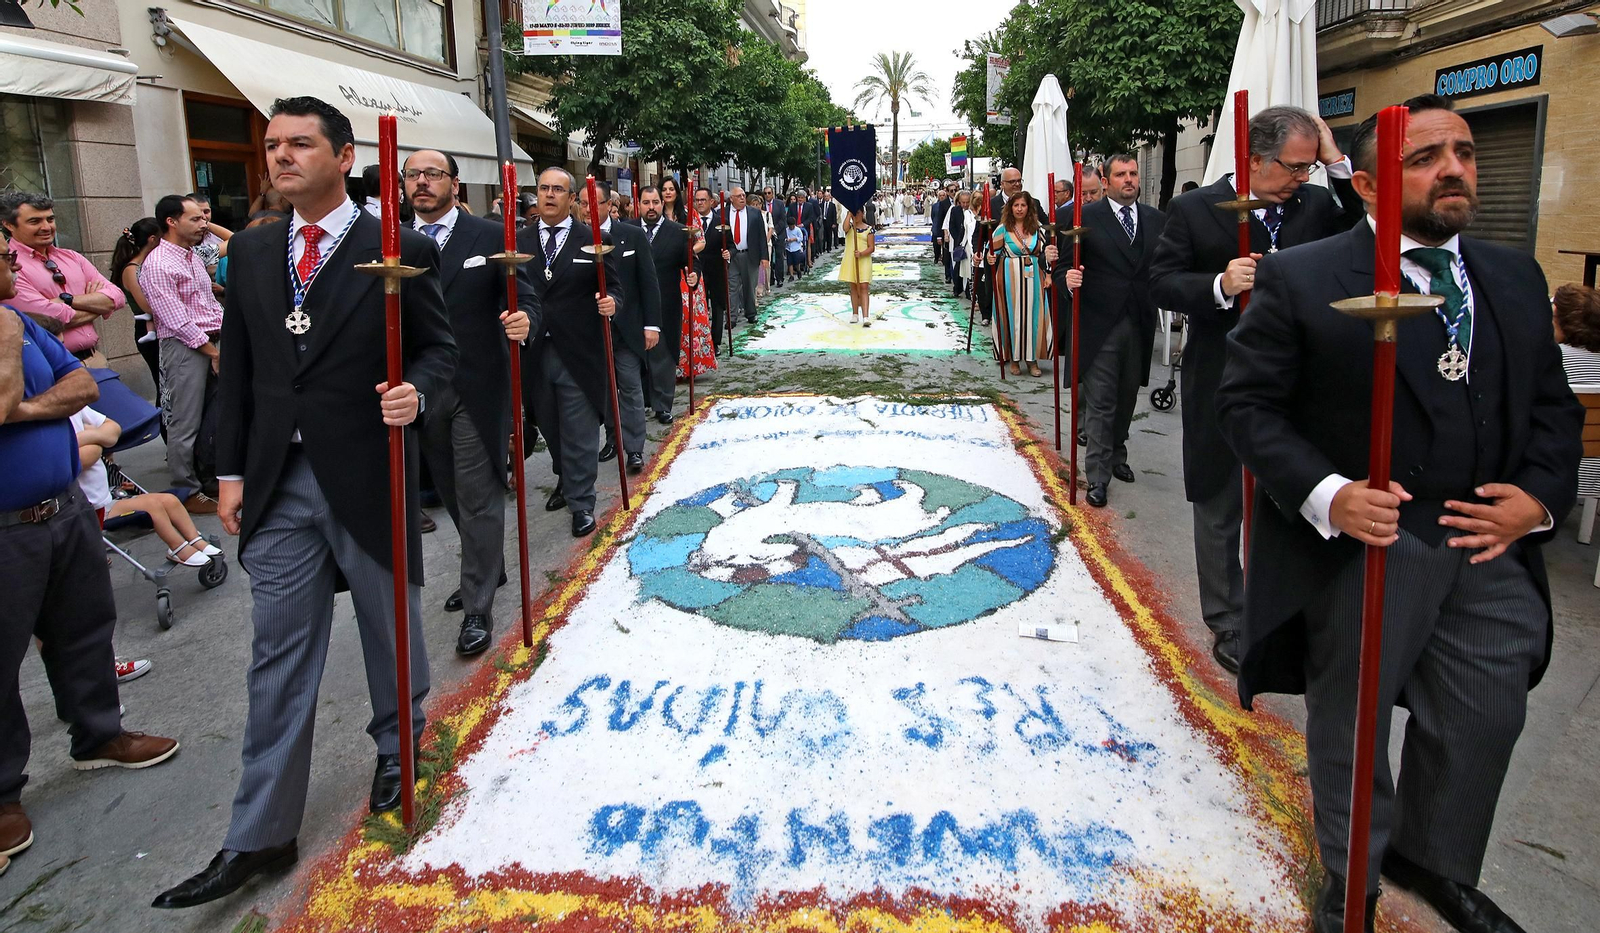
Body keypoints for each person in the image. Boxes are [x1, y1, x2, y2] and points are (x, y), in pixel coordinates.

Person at [1217, 94, 1582, 933]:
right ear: (1374, 183)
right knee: (1353, 722)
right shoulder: (1305, 277)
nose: (1454, 167)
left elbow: (1554, 409)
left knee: (1483, 714)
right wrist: (1330, 495)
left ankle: (1438, 858)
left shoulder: (1515, 278)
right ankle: (1353, 877)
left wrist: (1537, 499)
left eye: (1464, 152)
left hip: (1493, 550)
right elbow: (1248, 406)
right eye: (1425, 157)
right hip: (1376, 548)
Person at [152, 96, 456, 910]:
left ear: (345, 154)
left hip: (367, 467)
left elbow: (439, 351)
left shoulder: (401, 246)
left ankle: (400, 750)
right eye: (271, 145)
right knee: (277, 654)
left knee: (389, 628)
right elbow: (242, 366)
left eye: (298, 144)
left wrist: (416, 396)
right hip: (279, 484)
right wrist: (230, 473)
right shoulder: (250, 253)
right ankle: (260, 831)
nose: (280, 156)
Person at [1149, 104, 1364, 674]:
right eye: (1294, 168)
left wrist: (1335, 159)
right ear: (1252, 160)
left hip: (1300, 387)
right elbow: (1162, 282)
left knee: (1294, 500)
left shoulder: (1317, 204)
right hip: (1220, 378)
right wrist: (1219, 283)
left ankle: (1289, 611)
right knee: (1219, 506)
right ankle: (1226, 617)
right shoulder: (1195, 210)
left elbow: (1368, 225)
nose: (1302, 178)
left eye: (1308, 168)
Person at [1, 243, 180, 883]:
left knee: (83, 627)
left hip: (62, 509)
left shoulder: (17, 322)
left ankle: (98, 734)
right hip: (4, 528)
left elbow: (78, 381)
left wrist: (25, 407)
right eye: (1, 254)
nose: (11, 265)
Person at [404, 149, 528, 656]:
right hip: (421, 391)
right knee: (451, 490)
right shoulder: (390, 244)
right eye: (414, 174)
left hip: (478, 384)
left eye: (434, 174)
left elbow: (525, 297)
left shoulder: (490, 236)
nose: (423, 182)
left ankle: (478, 605)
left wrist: (525, 322)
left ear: (455, 184)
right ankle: (489, 562)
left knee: (479, 494)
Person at [516, 168, 621, 538]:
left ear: (572, 198)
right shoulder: (517, 241)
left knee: (578, 431)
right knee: (550, 426)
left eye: (557, 189)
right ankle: (565, 477)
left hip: (578, 352)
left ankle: (582, 502)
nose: (548, 195)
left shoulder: (593, 240)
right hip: (533, 352)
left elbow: (615, 288)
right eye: (543, 188)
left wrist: (612, 303)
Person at [1071, 154, 1164, 509]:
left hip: (1139, 321)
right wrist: (1066, 275)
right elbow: (1068, 262)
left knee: (1127, 396)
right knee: (1101, 401)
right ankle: (1097, 475)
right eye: (1121, 174)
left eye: (1133, 173)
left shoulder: (1156, 220)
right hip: (1100, 324)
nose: (1129, 179)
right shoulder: (1086, 218)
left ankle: (1116, 454)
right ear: (1105, 181)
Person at [140, 195, 224, 513]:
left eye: (204, 218)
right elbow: (176, 319)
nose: (204, 223)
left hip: (212, 341)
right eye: (196, 219)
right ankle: (185, 490)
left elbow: (208, 305)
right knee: (184, 420)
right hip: (186, 348)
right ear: (172, 222)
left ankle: (210, 477)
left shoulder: (191, 257)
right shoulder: (159, 263)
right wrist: (212, 351)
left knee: (214, 416)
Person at [2, 194, 126, 366]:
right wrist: (96, 306)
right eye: (34, 221)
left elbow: (117, 297)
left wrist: (67, 300)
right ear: (8, 225)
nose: (46, 227)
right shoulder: (9, 266)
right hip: (53, 366)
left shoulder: (72, 257)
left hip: (95, 358)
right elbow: (45, 319)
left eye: (50, 219)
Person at [590, 181, 660, 476]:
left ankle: (634, 448)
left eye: (594, 202)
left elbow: (648, 281)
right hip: (590, 331)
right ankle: (611, 438)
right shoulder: (576, 237)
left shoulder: (631, 235)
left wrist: (651, 325)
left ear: (609, 205)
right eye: (582, 202)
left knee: (630, 388)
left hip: (627, 329)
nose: (588, 208)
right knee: (602, 390)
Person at [638, 186, 704, 424]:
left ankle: (663, 403)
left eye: (655, 202)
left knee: (664, 356)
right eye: (646, 203)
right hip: (635, 305)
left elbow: (692, 262)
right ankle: (643, 400)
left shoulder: (677, 232)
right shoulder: (628, 230)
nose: (652, 207)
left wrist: (693, 276)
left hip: (666, 301)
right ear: (639, 205)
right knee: (638, 356)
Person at [988, 191, 1059, 378]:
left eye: (1023, 205)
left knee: (1033, 317)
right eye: (1016, 205)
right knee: (1013, 317)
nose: (1019, 209)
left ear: (1029, 208)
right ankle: (1014, 358)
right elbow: (992, 253)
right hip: (1010, 279)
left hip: (1034, 278)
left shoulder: (1037, 229)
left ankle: (1032, 359)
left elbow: (1046, 254)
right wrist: (988, 258)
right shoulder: (1003, 229)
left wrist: (1049, 275)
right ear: (1010, 208)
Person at [110, 218, 163, 393]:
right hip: (148, 329)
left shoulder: (150, 264)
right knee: (164, 385)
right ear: (153, 239)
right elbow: (147, 306)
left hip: (160, 326)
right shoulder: (132, 269)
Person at [720, 187, 767, 326]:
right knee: (732, 287)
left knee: (749, 286)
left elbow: (761, 236)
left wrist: (764, 257)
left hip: (749, 254)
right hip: (731, 256)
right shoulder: (724, 214)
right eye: (738, 196)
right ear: (731, 199)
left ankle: (751, 313)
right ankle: (732, 317)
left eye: (743, 195)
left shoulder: (754, 213)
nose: (742, 198)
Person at [692, 187, 729, 349]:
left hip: (716, 269)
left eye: (703, 200)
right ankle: (701, 341)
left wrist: (729, 253)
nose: (699, 203)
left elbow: (731, 244)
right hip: (697, 269)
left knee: (717, 306)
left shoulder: (721, 221)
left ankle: (715, 342)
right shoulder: (690, 221)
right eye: (697, 200)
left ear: (711, 202)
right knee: (700, 306)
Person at [840, 209, 875, 325]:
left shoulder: (869, 229)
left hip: (863, 260)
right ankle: (855, 313)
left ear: (862, 214)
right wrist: (849, 214)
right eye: (854, 214)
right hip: (851, 260)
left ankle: (865, 316)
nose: (856, 216)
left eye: (857, 213)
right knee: (854, 286)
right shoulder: (850, 228)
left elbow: (871, 247)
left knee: (864, 286)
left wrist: (861, 253)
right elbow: (844, 228)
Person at [944, 190, 975, 298]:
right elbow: (951, 226)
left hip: (970, 244)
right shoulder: (955, 210)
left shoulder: (973, 212)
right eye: (963, 202)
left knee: (969, 270)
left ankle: (968, 291)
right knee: (958, 268)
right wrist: (959, 239)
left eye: (967, 202)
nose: (965, 205)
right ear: (959, 202)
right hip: (959, 243)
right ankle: (957, 288)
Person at [930, 186, 952, 280]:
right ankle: (937, 256)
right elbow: (933, 216)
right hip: (937, 227)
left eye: (943, 195)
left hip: (946, 229)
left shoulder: (949, 205)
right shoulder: (935, 205)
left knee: (946, 249)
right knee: (936, 245)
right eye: (940, 195)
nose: (942, 197)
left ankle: (944, 260)